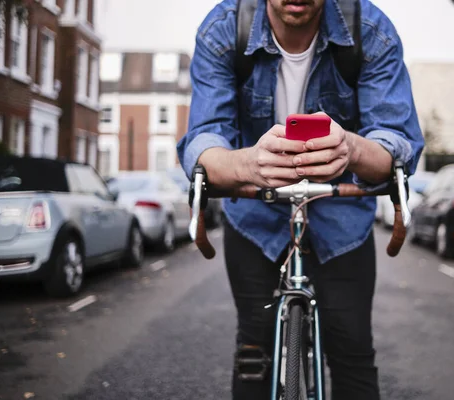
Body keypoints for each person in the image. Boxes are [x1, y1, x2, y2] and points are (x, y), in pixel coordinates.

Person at [177, 0, 424, 398]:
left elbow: (395, 141)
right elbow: (204, 141)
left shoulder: (371, 30)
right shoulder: (222, 30)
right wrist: (248, 164)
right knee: (253, 354)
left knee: (353, 353)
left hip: (342, 215)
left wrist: (352, 150)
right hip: (255, 215)